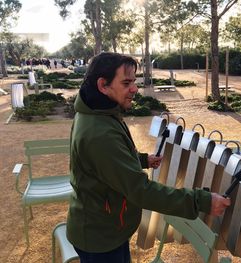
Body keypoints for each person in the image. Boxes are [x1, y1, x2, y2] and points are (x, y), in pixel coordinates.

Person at [67, 52, 231, 263]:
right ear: (103, 85)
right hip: (100, 237)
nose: (134, 89)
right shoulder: (99, 133)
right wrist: (202, 201)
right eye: (126, 83)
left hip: (104, 227)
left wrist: (142, 160)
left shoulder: (96, 112)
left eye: (134, 82)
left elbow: (107, 163)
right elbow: (141, 191)